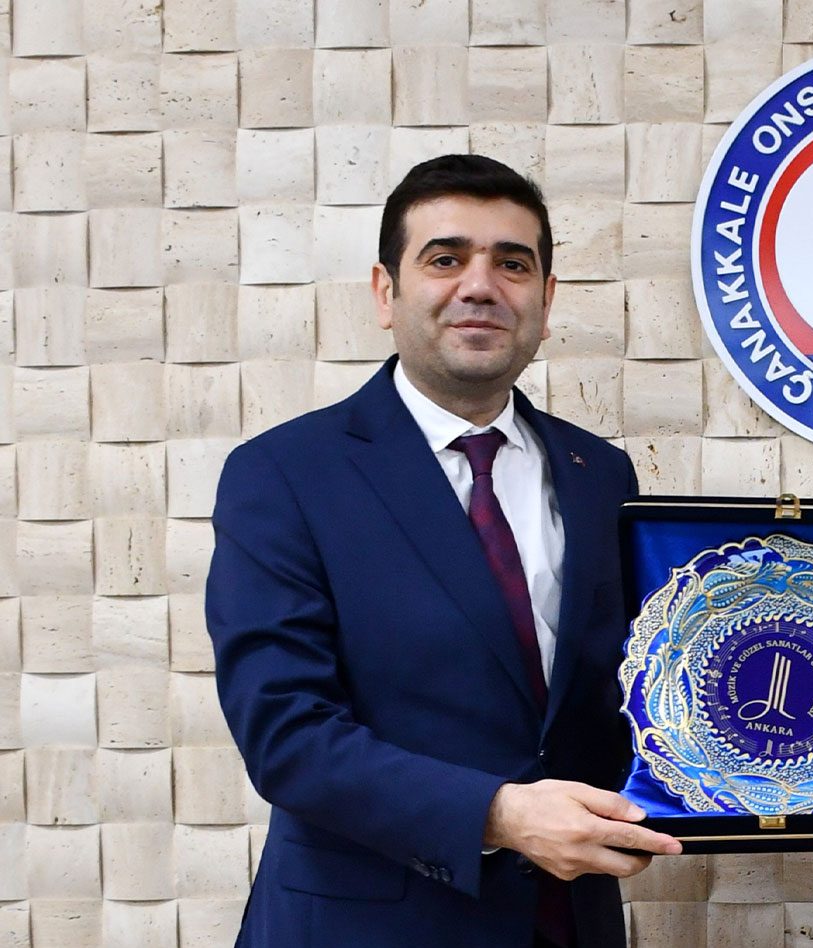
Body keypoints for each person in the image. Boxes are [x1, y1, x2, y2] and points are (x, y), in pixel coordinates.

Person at [206, 154, 680, 948]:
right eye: (446, 259)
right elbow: (285, 733)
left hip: (569, 924)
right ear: (385, 292)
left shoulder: (600, 475)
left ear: (546, 300)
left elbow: (630, 691)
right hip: (364, 929)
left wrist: (789, 770)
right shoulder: (284, 474)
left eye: (513, 264)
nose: (481, 286)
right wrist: (500, 815)